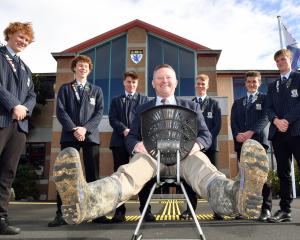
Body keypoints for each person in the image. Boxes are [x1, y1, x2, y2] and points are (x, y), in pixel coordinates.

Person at [52, 64, 269, 225]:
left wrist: (198, 146)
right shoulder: (143, 108)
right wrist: (137, 146)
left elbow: (205, 134)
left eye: (168, 78)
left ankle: (238, 196)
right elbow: (131, 136)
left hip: (185, 156)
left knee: (207, 172)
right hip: (150, 157)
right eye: (159, 78)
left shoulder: (191, 106)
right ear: (154, 83)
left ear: (175, 82)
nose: (164, 81)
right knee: (127, 175)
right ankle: (87, 200)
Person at [48, 55, 107, 227]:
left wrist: (85, 129)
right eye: (80, 66)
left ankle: (97, 213)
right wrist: (74, 128)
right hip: (69, 135)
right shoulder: (65, 89)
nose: (83, 68)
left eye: (86, 66)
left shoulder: (96, 90)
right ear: (74, 68)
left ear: (89, 69)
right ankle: (61, 214)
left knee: (93, 175)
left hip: (90, 136)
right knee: (65, 175)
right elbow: (61, 111)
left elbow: (99, 113)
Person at [0, 22, 36, 235]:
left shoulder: (26, 69)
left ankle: (1, 218)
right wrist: (14, 104)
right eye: (20, 37)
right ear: (9, 35)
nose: (23, 41)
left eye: (26, 39)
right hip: (2, 120)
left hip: (19, 126)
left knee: (7, 173)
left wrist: (24, 108)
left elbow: (32, 95)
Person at [109, 71, 155, 222]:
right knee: (120, 176)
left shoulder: (144, 100)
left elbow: (148, 119)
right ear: (124, 82)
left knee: (143, 176)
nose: (131, 85)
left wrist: (135, 132)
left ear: (137, 83)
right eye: (128, 82)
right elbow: (112, 119)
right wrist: (124, 129)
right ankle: (119, 212)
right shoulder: (116, 100)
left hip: (139, 144)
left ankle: (146, 210)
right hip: (119, 142)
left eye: (134, 82)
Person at [231, 71, 272, 221]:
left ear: (259, 83)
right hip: (242, 144)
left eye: (255, 82)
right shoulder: (237, 102)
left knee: (262, 177)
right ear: (245, 83)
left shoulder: (265, 99)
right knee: (244, 178)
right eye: (249, 82)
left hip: (259, 143)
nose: (251, 84)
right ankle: (245, 210)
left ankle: (266, 210)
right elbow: (233, 121)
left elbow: (265, 117)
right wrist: (237, 135)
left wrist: (251, 132)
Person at [181, 74, 222, 220]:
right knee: (189, 180)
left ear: (207, 86)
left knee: (213, 177)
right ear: (195, 85)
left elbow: (217, 126)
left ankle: (218, 210)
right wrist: (195, 144)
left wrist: (205, 142)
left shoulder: (214, 104)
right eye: (198, 84)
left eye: (203, 84)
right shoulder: (189, 104)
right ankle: (190, 210)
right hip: (192, 149)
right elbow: (185, 127)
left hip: (211, 148)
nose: (200, 86)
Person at [266, 49, 300, 223]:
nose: (280, 63)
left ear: (290, 60)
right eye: (277, 61)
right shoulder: (272, 85)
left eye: (283, 59)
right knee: (283, 172)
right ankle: (285, 210)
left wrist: (287, 120)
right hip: (278, 134)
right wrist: (276, 120)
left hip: (297, 132)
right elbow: (268, 107)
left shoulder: (298, 78)